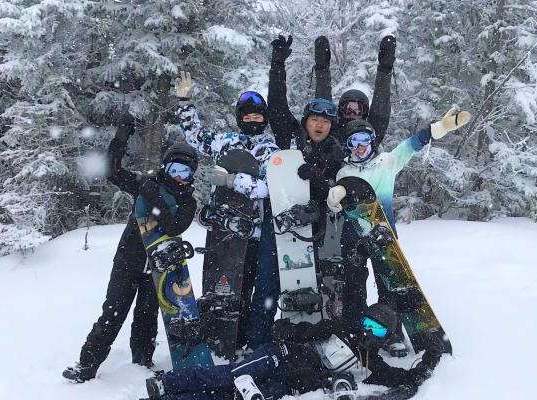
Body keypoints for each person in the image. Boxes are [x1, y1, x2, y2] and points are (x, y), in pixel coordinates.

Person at [63, 116, 200, 383]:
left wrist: (153, 197)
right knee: (113, 313)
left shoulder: (187, 202)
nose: (179, 177)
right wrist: (122, 134)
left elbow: (173, 227)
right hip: (129, 260)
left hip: (159, 267)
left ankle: (142, 362)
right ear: (165, 166)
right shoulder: (145, 183)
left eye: (185, 173)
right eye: (174, 169)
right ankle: (86, 365)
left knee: (147, 318)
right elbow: (111, 171)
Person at [325, 109, 471, 354]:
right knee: (354, 286)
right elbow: (337, 203)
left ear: (372, 142)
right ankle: (357, 330)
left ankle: (391, 334)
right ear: (348, 146)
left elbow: (412, 144)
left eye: (364, 141)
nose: (359, 147)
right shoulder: (343, 172)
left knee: (389, 286)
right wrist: (333, 199)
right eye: (353, 142)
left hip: (384, 235)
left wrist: (440, 128)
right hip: (353, 238)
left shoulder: (387, 162)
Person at [175, 72, 280, 351]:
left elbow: (270, 188)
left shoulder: (271, 151)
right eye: (248, 116)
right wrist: (184, 102)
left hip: (255, 232)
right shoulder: (224, 141)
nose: (253, 120)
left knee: (254, 288)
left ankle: (248, 339)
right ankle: (220, 336)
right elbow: (196, 137)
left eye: (258, 116)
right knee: (227, 286)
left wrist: (235, 181)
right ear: (239, 117)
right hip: (224, 230)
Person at [142, 303, 442, 400]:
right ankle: (167, 383)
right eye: (366, 322)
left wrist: (431, 355)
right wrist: (285, 330)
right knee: (228, 375)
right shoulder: (338, 329)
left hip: (292, 382)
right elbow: (301, 331)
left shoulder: (372, 363)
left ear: (384, 337)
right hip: (279, 356)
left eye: (375, 330)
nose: (366, 331)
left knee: (232, 395)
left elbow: (407, 379)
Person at [267, 35, 345, 242]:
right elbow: (276, 106)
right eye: (315, 120)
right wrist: (277, 66)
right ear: (305, 121)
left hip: (322, 223)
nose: (320, 125)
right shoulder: (291, 135)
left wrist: (317, 179)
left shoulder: (335, 148)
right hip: (283, 214)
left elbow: (337, 187)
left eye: (325, 122)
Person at [313, 35, 396, 146]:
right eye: (348, 108)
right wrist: (321, 68)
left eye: (357, 109)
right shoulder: (329, 132)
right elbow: (323, 105)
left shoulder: (370, 135)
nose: (352, 113)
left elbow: (380, 110)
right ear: (340, 110)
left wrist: (385, 69)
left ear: (365, 112)